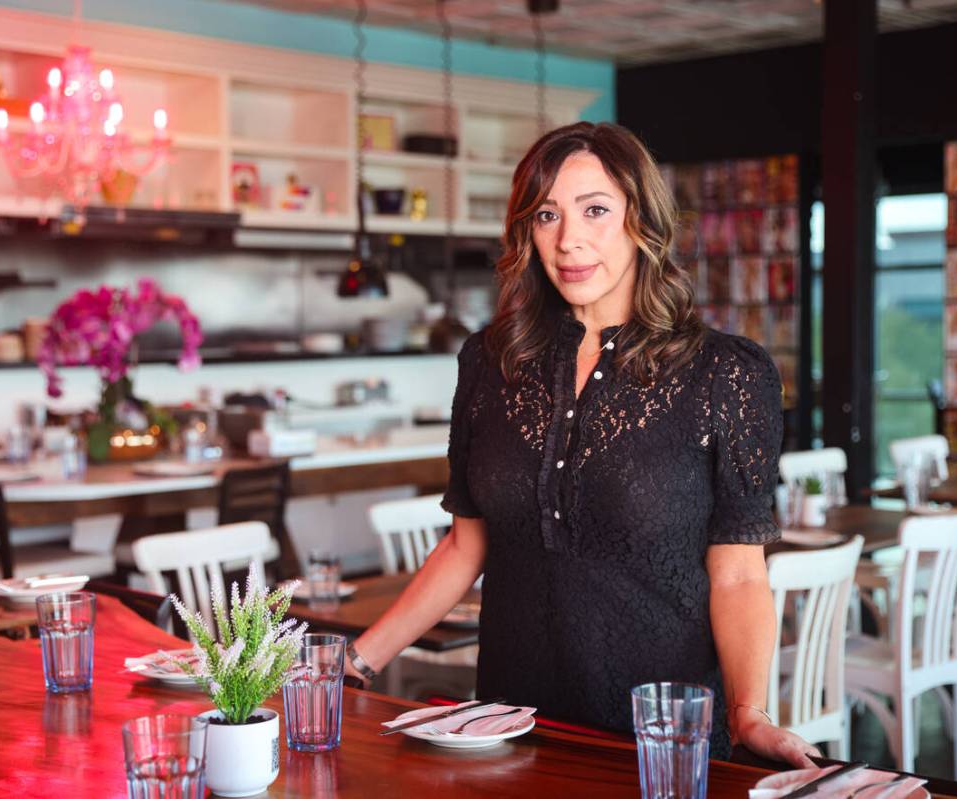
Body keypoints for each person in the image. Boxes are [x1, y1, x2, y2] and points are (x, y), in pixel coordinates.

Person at [345, 122, 820, 768]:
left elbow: (736, 573)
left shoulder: (725, 374)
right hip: (504, 736)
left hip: (656, 747)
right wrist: (354, 661)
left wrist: (747, 713)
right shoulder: (488, 362)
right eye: (547, 214)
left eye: (594, 209)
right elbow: (465, 545)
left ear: (640, 219)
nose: (568, 239)